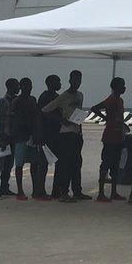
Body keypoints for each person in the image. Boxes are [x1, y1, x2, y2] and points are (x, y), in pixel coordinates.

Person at [41, 70, 89, 202]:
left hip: (77, 132)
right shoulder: (63, 97)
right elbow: (45, 110)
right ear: (70, 81)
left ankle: (77, 191)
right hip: (66, 134)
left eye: (79, 81)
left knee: (77, 162)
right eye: (75, 81)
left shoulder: (80, 95)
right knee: (66, 164)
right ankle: (64, 192)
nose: (77, 83)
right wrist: (61, 120)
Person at [10, 76, 49, 201]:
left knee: (34, 163)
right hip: (21, 136)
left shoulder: (32, 100)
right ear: (21, 87)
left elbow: (36, 116)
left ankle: (35, 190)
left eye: (30, 86)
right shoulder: (17, 101)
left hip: (32, 136)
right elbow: (14, 119)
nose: (29, 88)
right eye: (26, 86)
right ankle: (20, 191)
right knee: (20, 164)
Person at [90, 77, 127, 203]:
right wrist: (106, 119)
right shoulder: (111, 100)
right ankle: (101, 193)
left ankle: (113, 192)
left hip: (118, 136)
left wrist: (123, 125)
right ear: (116, 87)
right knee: (106, 163)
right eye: (122, 85)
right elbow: (94, 108)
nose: (124, 88)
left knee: (115, 165)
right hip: (110, 137)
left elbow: (119, 117)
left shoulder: (120, 100)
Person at [0, 78, 19, 199]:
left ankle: (4, 187)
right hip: (3, 138)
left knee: (9, 164)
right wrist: (1, 138)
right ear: (10, 87)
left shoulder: (15, 101)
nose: (19, 88)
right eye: (17, 86)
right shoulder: (3, 102)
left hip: (12, 138)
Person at [36, 74, 63, 198]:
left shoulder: (57, 96)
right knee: (43, 164)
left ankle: (56, 190)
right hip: (46, 135)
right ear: (51, 83)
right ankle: (40, 190)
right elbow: (43, 114)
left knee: (58, 162)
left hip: (56, 134)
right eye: (58, 81)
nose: (60, 83)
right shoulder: (45, 97)